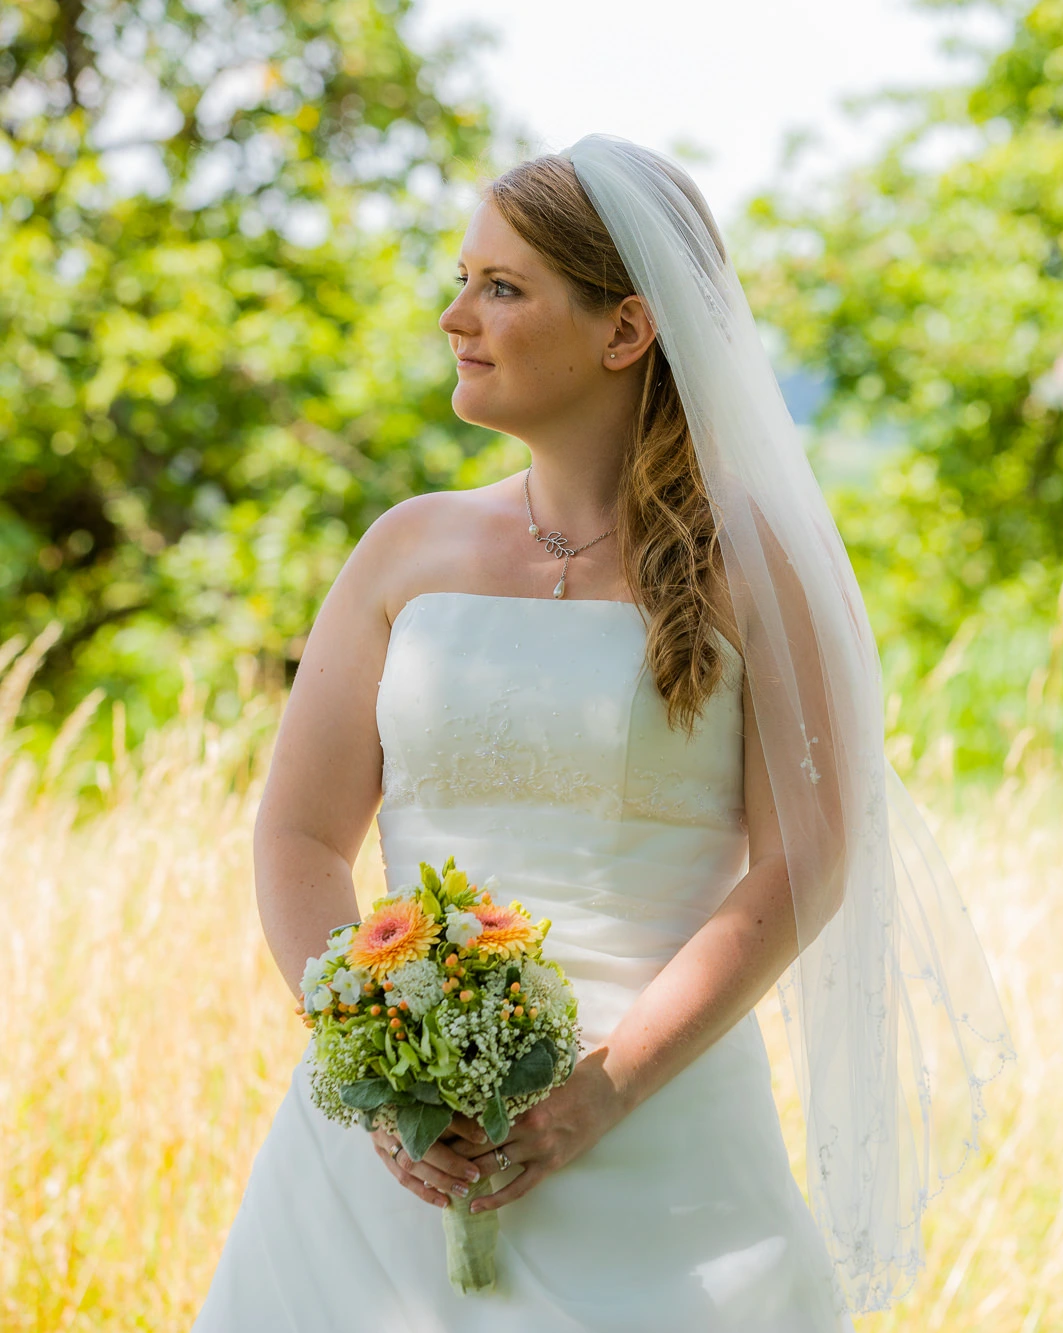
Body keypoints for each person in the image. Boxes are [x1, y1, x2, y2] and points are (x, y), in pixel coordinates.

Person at [194, 136, 1011, 1331]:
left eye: (502, 288)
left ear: (625, 329)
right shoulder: (404, 550)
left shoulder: (752, 571)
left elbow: (807, 861)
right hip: (390, 1171)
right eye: (463, 277)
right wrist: (379, 1076)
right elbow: (300, 832)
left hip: (660, 1147)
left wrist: (599, 1094)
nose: (453, 315)